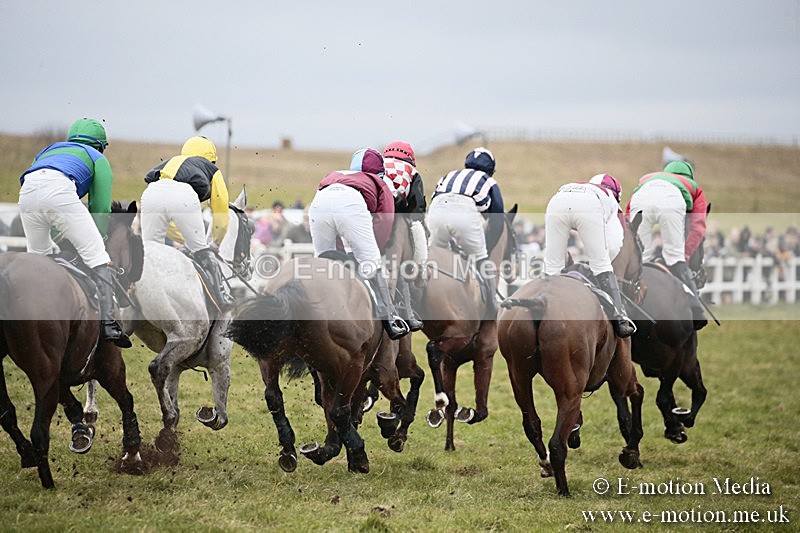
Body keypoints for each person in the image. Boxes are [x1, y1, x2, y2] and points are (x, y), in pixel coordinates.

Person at [17, 117, 131, 347]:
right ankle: (109, 325)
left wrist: (63, 231)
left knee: (39, 261)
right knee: (98, 256)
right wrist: (99, 238)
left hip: (26, 194)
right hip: (59, 192)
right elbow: (100, 206)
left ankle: (33, 321)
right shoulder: (97, 157)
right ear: (100, 145)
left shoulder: (48, 149)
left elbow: (41, 191)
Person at [308, 148, 409, 340]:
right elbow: (384, 222)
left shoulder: (337, 175)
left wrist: (340, 255)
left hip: (319, 202)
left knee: (323, 264)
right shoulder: (380, 182)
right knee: (372, 264)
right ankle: (390, 319)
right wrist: (369, 252)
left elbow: (332, 218)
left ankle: (311, 316)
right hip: (349, 203)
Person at [140, 136, 235, 312]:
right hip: (183, 195)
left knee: (149, 253)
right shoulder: (211, 168)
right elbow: (221, 211)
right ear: (211, 158)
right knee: (203, 252)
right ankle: (221, 297)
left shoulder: (171, 162)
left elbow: (170, 222)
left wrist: (185, 240)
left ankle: (131, 299)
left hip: (150, 193)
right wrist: (214, 243)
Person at [543, 174, 636, 338]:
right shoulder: (612, 202)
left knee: (552, 267)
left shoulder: (585, 186)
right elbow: (614, 245)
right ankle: (620, 321)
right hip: (588, 205)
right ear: (616, 195)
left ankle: (541, 311)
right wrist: (595, 266)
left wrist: (569, 262)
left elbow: (558, 250)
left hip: (557, 199)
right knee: (602, 265)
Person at [627, 160, 708, 328]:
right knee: (674, 257)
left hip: (640, 198)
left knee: (643, 260)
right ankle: (696, 309)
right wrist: (684, 255)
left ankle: (623, 306)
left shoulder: (648, 179)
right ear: (689, 177)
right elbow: (697, 227)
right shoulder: (694, 188)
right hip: (671, 201)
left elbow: (628, 220)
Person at [427, 147, 504, 317]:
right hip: (464, 211)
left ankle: (417, 299)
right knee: (482, 260)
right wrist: (485, 249)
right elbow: (498, 221)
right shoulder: (489, 182)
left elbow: (434, 200)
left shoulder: (449, 175)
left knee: (432, 261)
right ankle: (492, 308)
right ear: (491, 170)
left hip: (436, 210)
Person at [382, 141, 426, 331]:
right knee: (417, 232)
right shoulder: (413, 173)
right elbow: (418, 208)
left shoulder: (379, 163)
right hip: (395, 215)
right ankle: (419, 271)